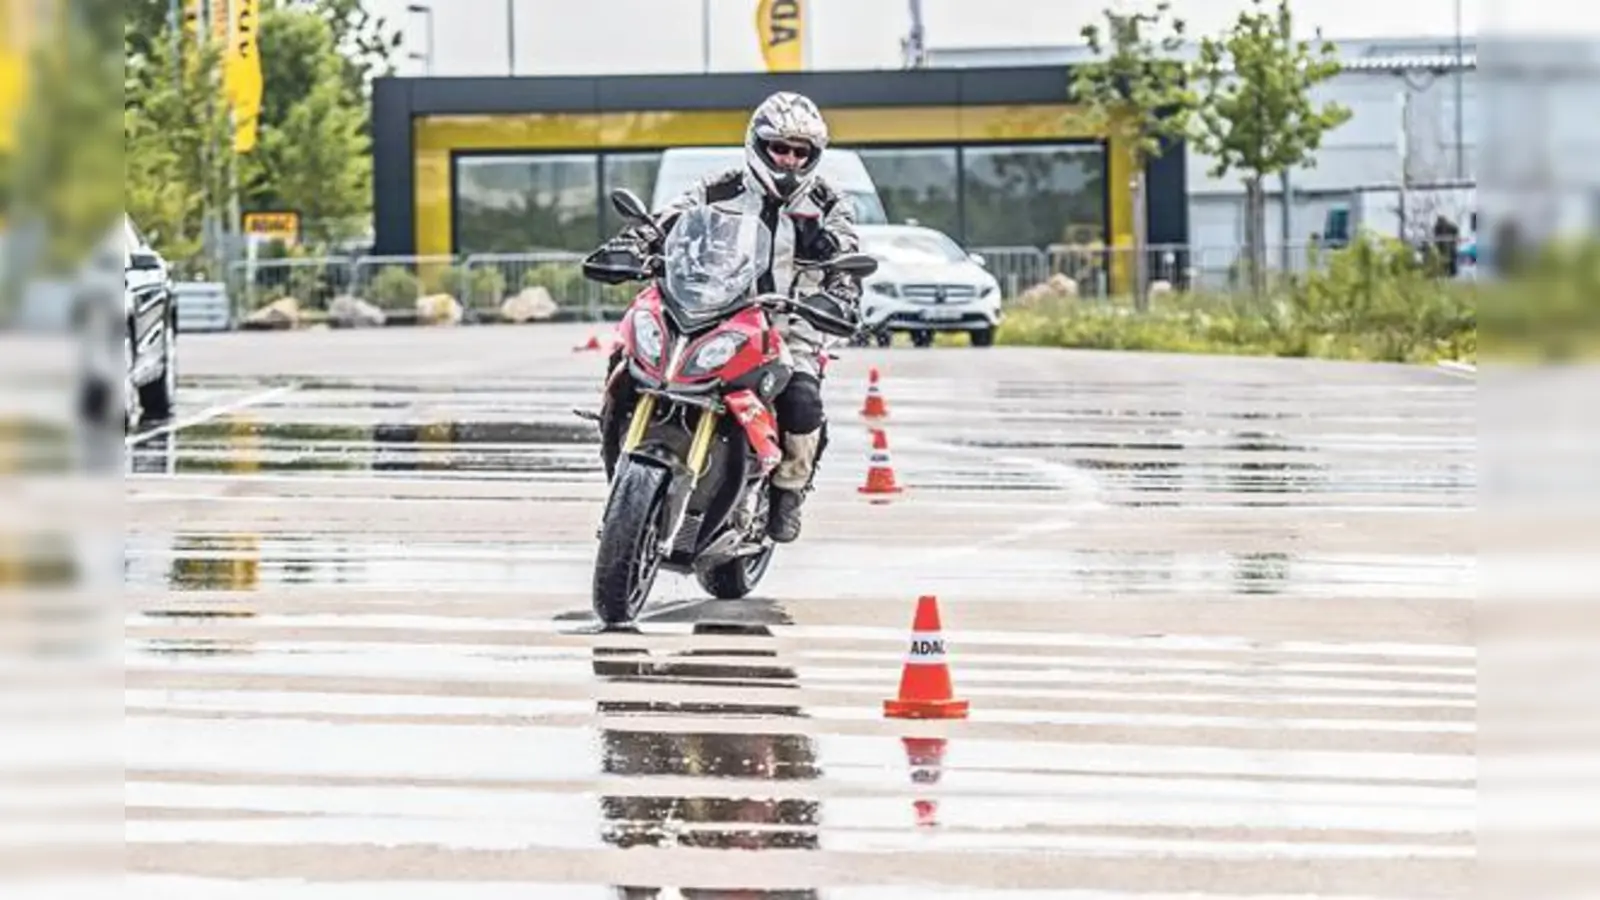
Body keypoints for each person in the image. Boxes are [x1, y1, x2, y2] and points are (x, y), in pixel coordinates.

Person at [585, 91, 863, 544]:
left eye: (801, 152)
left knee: (802, 399)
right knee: (628, 359)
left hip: (789, 325)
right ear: (757, 144)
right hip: (715, 309)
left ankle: (789, 490)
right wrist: (636, 242)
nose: (790, 160)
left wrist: (842, 289)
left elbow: (849, 253)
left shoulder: (829, 203)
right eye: (780, 148)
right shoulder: (719, 187)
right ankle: (619, 460)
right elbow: (668, 220)